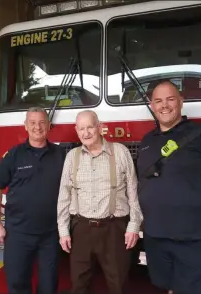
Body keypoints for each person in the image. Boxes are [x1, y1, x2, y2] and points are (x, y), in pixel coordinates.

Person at [137, 80, 201, 294]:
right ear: (152, 106)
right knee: (169, 287)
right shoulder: (146, 141)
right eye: (158, 101)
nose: (164, 105)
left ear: (181, 102)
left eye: (170, 99)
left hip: (195, 239)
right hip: (156, 238)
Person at [57, 110, 143, 294]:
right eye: (81, 129)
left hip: (114, 229)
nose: (86, 133)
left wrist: (134, 225)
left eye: (90, 127)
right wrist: (63, 231)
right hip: (81, 228)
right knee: (79, 284)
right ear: (76, 130)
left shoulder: (120, 152)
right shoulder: (72, 156)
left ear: (100, 127)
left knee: (118, 283)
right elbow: (64, 195)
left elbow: (133, 191)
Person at [0, 107, 66, 294]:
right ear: (25, 126)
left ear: (49, 126)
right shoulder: (13, 155)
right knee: (17, 282)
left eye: (41, 122)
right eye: (32, 123)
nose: (37, 127)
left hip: (50, 233)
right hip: (18, 233)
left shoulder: (61, 155)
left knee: (49, 285)